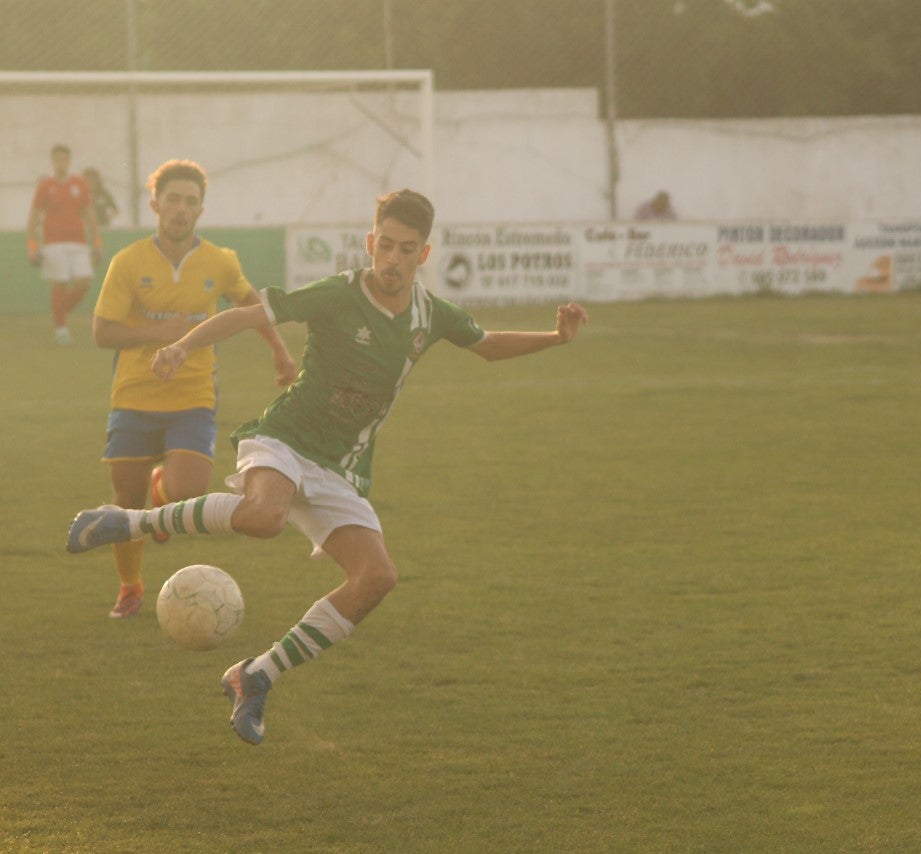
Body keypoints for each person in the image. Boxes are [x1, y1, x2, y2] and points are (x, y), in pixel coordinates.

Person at [67, 189, 590, 746]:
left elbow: (487, 344)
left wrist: (556, 338)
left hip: (340, 466)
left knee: (376, 578)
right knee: (264, 516)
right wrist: (182, 347)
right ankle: (127, 522)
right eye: (384, 245)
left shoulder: (430, 314)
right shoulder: (339, 293)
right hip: (284, 438)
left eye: (406, 249)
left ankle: (256, 675)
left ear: (424, 254)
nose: (392, 259)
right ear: (370, 242)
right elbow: (244, 315)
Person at [89, 159, 297, 619]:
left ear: (200, 210)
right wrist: (160, 332)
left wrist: (279, 350)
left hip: (193, 396)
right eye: (173, 199)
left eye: (190, 201)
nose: (180, 209)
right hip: (134, 396)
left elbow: (250, 305)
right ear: (155, 205)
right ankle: (130, 586)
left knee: (188, 490)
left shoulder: (220, 262)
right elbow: (103, 332)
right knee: (127, 500)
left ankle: (164, 493)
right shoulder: (129, 261)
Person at [27, 144, 101, 345]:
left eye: (64, 159)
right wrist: (32, 246)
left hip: (78, 242)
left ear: (69, 161)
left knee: (84, 282)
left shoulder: (79, 183)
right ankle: (61, 329)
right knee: (60, 282)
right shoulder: (45, 185)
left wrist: (96, 242)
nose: (61, 163)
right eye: (57, 159)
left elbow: (89, 213)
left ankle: (58, 313)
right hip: (53, 243)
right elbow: (34, 216)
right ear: (52, 161)